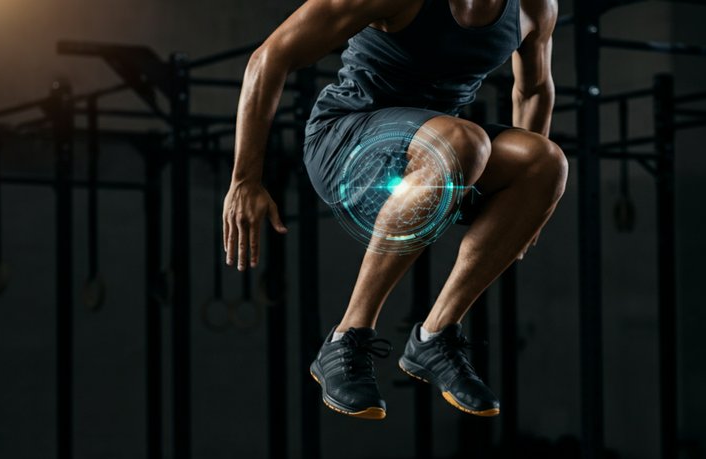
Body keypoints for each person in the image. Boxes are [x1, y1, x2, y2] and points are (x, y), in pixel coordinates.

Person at [222, 0, 567, 420]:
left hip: (439, 152)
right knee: (464, 142)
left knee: (546, 162)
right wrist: (245, 180)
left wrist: (522, 204)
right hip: (345, 141)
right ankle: (347, 336)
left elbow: (533, 89)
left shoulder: (535, 7)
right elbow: (269, 56)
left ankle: (435, 336)